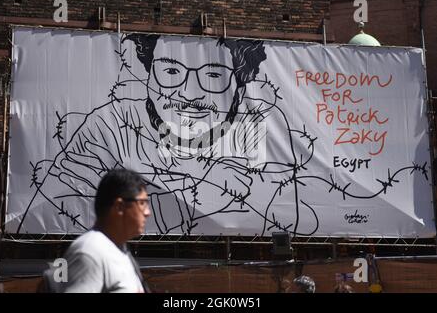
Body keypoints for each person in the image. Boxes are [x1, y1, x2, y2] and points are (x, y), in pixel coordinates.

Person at [21, 33, 316, 237]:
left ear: (239, 85)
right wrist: (193, 180)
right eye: (171, 72)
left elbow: (286, 219)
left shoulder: (258, 129)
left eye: (213, 76)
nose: (188, 93)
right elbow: (57, 205)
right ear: (148, 76)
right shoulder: (111, 125)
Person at [43, 169, 151, 293]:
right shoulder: (89, 253)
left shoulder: (119, 249)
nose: (148, 212)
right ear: (119, 206)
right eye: (142, 203)